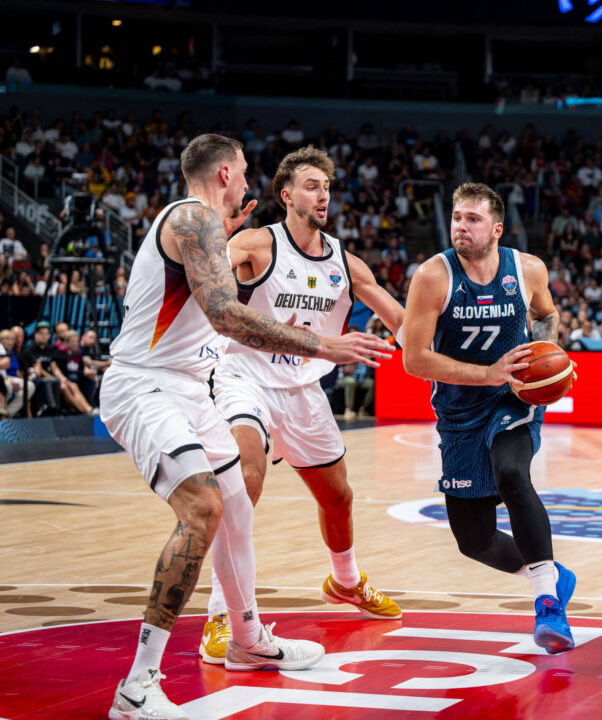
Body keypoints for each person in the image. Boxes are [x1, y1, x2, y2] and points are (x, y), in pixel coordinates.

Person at [99, 133, 390, 720]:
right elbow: (228, 315)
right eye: (247, 173)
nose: (250, 185)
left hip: (191, 385)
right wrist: (323, 345)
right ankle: (137, 686)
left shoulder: (210, 229)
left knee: (237, 505)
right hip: (148, 386)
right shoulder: (193, 219)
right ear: (227, 173)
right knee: (204, 508)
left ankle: (248, 640)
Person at [198, 146, 405, 664]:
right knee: (244, 480)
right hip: (243, 374)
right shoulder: (257, 243)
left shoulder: (345, 262)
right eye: (312, 186)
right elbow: (198, 278)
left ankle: (345, 581)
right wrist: (216, 238)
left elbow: (402, 321)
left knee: (338, 497)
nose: (323, 196)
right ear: (286, 195)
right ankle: (221, 616)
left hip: (303, 388)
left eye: (327, 188)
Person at [401, 182, 577, 654]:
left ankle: (547, 604)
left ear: (496, 228)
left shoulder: (527, 269)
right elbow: (414, 360)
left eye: (473, 219)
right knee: (473, 539)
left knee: (512, 472)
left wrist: (547, 354)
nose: (461, 225)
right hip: (459, 408)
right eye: (458, 217)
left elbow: (546, 314)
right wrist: (486, 373)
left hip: (513, 399)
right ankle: (553, 574)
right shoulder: (434, 276)